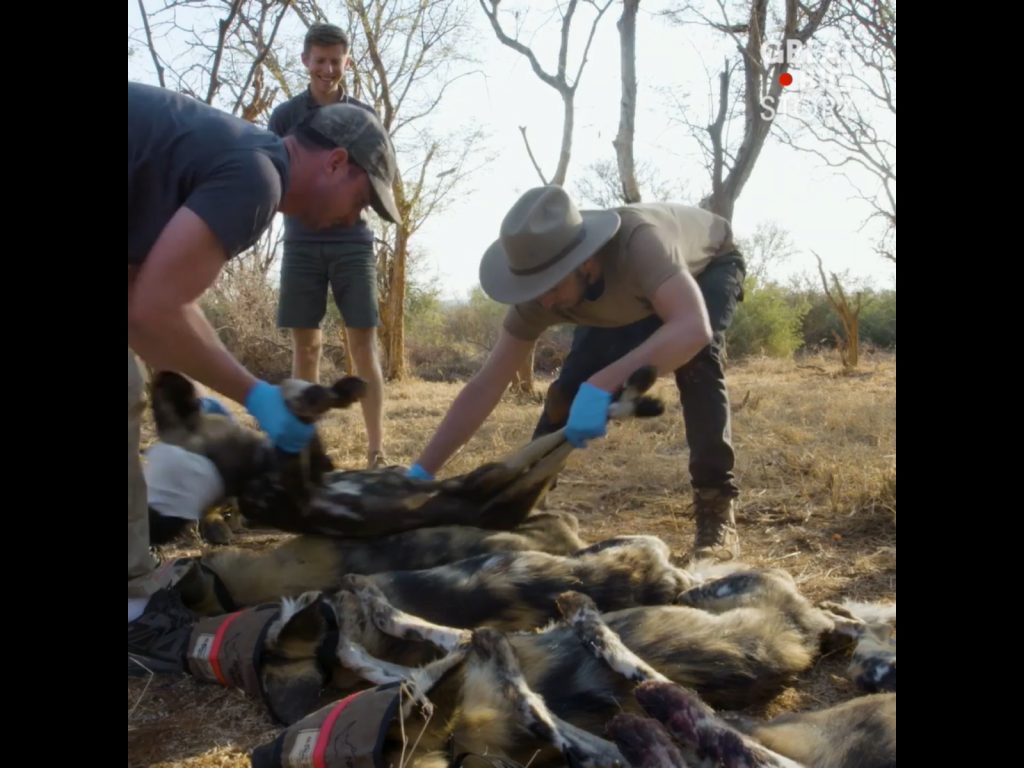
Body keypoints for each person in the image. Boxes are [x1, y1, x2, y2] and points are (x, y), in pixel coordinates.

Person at [128, 80, 400, 671]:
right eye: (361, 198)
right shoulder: (257, 176)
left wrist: (202, 399)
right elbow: (151, 311)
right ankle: (133, 617)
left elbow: (142, 295)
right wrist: (254, 395)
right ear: (336, 162)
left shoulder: (234, 152)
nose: (355, 216)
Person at [408, 186, 745, 561]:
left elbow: (691, 328)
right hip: (629, 295)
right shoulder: (542, 292)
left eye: (551, 286)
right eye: (533, 289)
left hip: (706, 268)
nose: (544, 301)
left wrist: (603, 383)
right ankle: (526, 505)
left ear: (586, 263)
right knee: (565, 396)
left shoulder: (640, 245)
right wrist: (420, 473)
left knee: (695, 361)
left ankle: (716, 509)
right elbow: (486, 384)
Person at [269, 23, 388, 469]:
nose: (327, 69)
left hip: (353, 242)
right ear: (306, 60)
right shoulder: (285, 116)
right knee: (307, 348)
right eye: (319, 60)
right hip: (300, 242)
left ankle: (376, 451)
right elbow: (273, 175)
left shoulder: (364, 117)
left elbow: (379, 179)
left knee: (363, 347)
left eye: (335, 61)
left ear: (346, 61)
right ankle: (305, 453)